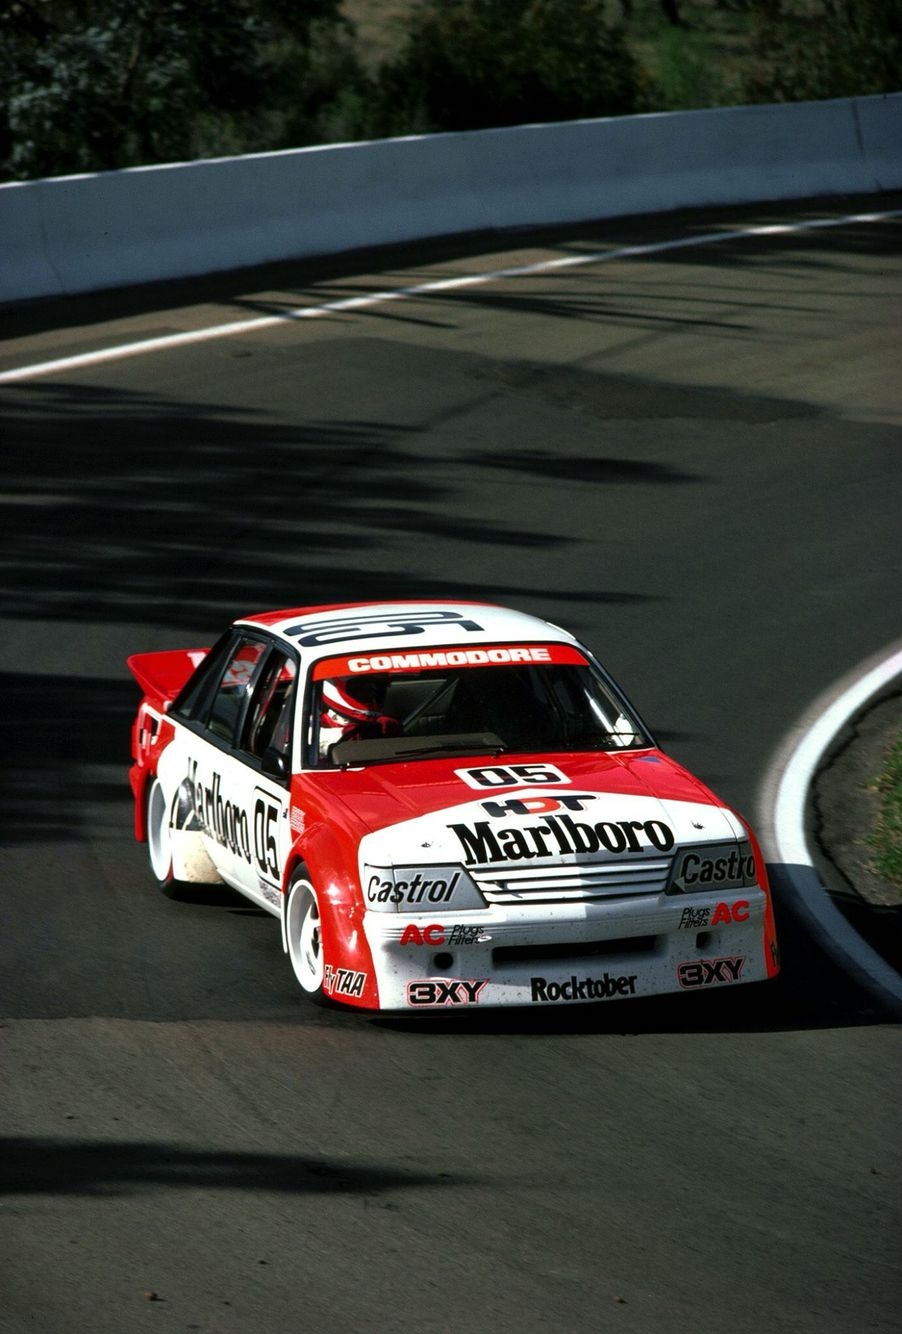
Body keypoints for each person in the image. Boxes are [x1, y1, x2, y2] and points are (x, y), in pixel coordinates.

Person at [318, 674, 400, 760]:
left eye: (379, 692)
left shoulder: (385, 725)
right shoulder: (312, 730)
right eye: (364, 691)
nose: (373, 700)